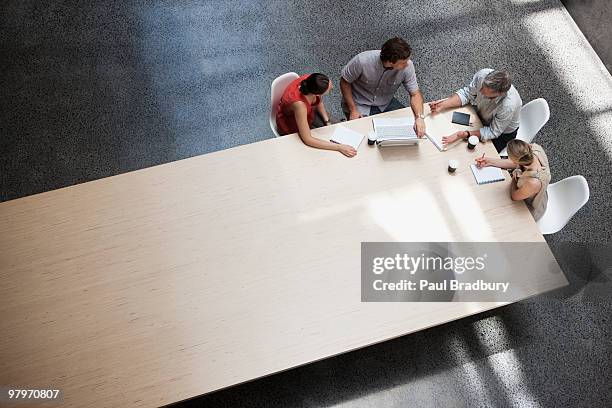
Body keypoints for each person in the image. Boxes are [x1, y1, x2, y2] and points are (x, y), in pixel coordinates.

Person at [340, 37, 426, 137]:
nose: (407, 65)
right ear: (390, 62)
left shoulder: (408, 66)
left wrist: (419, 117)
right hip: (359, 102)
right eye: (403, 63)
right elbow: (344, 82)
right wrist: (353, 109)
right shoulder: (362, 61)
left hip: (385, 102)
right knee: (362, 135)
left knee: (409, 124)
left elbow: (415, 94)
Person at [430, 69, 522, 153]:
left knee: (472, 154)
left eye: (486, 95)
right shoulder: (482, 75)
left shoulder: (508, 106)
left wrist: (466, 134)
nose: (480, 92)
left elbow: (493, 132)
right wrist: (442, 105)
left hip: (501, 134)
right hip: (482, 115)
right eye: (481, 87)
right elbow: (467, 94)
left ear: (500, 94)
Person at [276, 73, 356, 157]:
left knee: (332, 128)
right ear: (317, 93)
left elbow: (318, 100)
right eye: (329, 89)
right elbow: (307, 139)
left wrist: (327, 121)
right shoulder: (300, 105)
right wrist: (339, 147)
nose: (332, 87)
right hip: (291, 123)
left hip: (307, 112)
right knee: (318, 153)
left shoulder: (311, 80)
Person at [475, 140, 551, 220]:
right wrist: (489, 161)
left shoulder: (533, 182)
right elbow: (515, 163)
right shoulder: (533, 149)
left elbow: (514, 196)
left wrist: (515, 177)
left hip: (529, 206)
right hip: (530, 190)